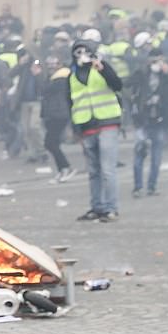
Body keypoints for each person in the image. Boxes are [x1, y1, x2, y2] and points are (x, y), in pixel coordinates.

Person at [67, 40, 123, 223]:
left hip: (107, 122)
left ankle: (111, 208)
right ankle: (97, 207)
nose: (81, 55)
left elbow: (117, 85)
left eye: (85, 51)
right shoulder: (72, 75)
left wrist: (103, 68)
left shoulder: (101, 68)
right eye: (77, 52)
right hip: (86, 126)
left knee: (107, 169)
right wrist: (75, 129)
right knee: (93, 171)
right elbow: (71, 102)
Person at [129, 49, 168, 197]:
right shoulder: (141, 73)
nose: (156, 63)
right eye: (154, 60)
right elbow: (127, 83)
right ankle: (138, 187)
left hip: (160, 118)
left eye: (159, 60)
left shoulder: (166, 74)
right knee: (140, 152)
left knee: (156, 155)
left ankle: (152, 186)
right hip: (143, 119)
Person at [39, 56, 76, 183]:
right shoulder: (56, 78)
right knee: (52, 143)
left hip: (58, 114)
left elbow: (44, 90)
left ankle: (66, 167)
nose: (50, 68)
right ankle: (62, 169)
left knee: (50, 143)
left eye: (53, 65)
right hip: (55, 114)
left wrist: (39, 75)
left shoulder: (60, 79)